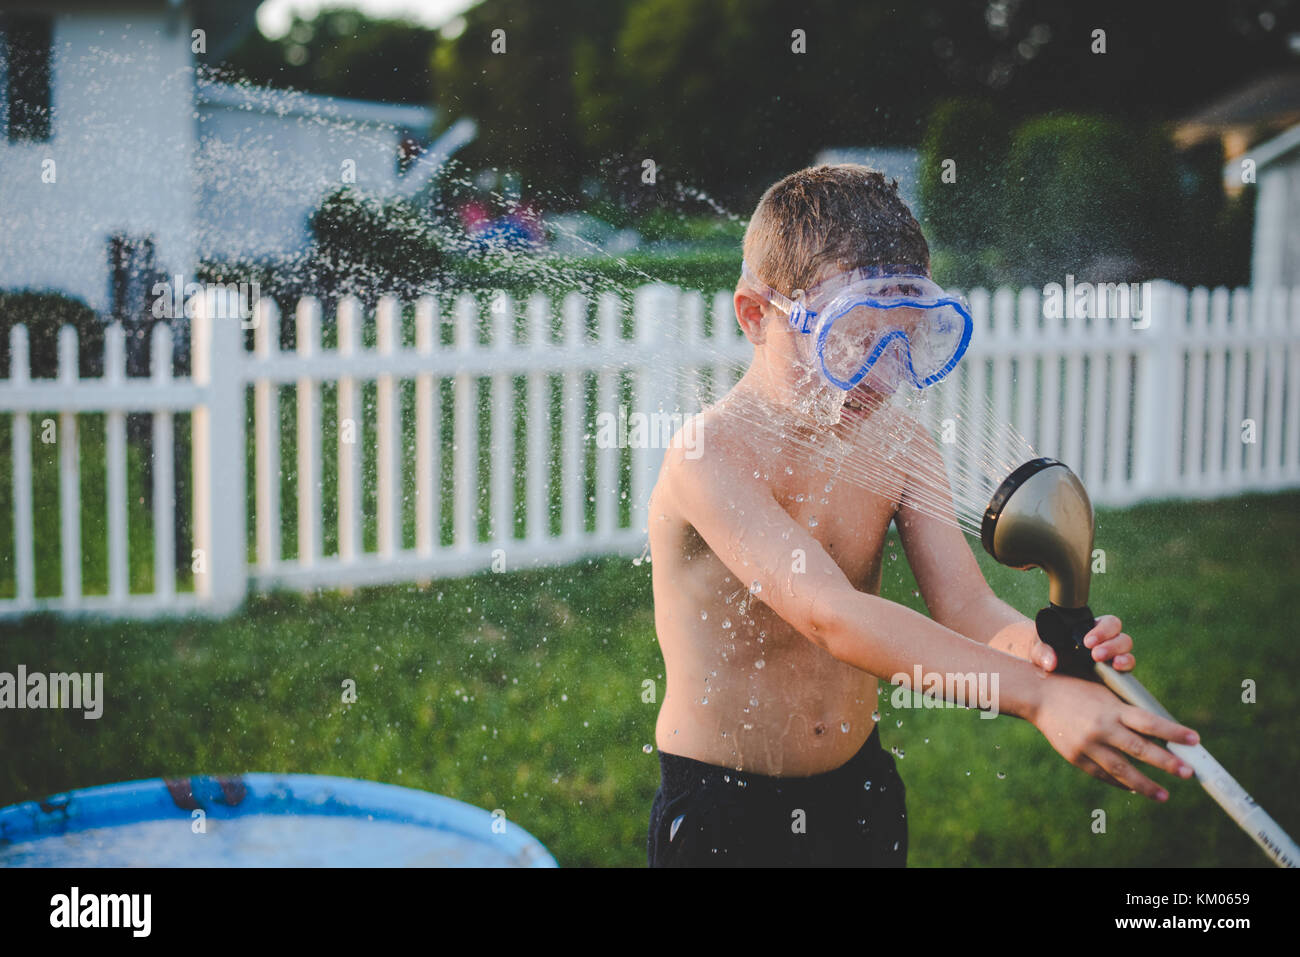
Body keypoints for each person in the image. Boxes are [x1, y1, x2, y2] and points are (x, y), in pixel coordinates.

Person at [645, 164, 1199, 867]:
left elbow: (967, 604)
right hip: (725, 809)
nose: (880, 375)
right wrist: (1034, 699)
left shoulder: (897, 440)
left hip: (859, 788)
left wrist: (1043, 656)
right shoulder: (709, 454)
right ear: (757, 316)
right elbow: (832, 616)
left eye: (903, 342)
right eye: (851, 341)